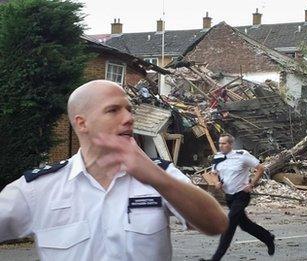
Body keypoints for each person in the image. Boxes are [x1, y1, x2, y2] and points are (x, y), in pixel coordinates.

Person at [0, 80, 228, 260]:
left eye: (129, 110)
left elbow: (216, 224)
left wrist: (158, 179)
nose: (129, 118)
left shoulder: (160, 175)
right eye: (113, 110)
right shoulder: (40, 188)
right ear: (82, 123)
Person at [203, 134, 275, 261]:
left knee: (229, 224)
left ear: (231, 144)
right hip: (229, 197)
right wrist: (216, 182)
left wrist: (251, 184)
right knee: (245, 225)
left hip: (242, 195)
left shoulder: (242, 155)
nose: (221, 145)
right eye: (219, 143)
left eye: (224, 143)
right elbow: (213, 174)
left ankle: (215, 258)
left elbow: (260, 168)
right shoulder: (218, 157)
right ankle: (268, 237)